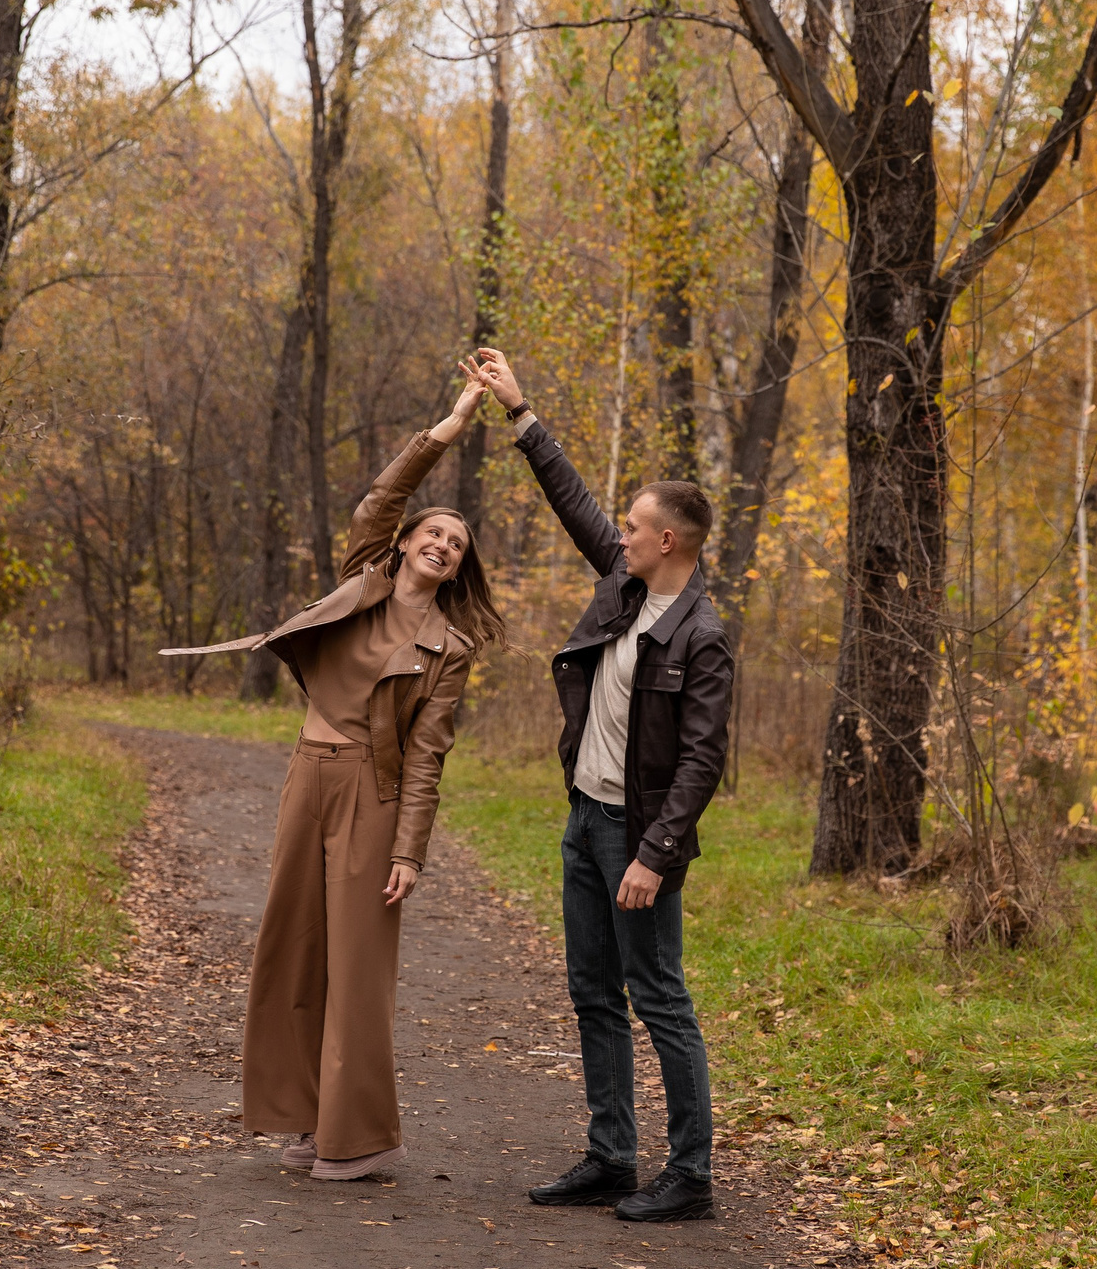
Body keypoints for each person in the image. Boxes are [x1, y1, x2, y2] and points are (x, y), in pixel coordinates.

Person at [160, 378, 502, 1182]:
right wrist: (447, 426)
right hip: (307, 777)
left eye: (458, 542)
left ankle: (359, 1137)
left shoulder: (450, 649)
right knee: (293, 947)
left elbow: (426, 756)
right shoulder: (365, 579)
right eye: (435, 532)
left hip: (372, 797)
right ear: (408, 539)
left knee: (356, 966)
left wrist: (409, 852)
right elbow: (380, 499)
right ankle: (302, 1116)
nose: (445, 544)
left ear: (459, 567)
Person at [462, 347, 731, 1224]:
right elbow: (574, 503)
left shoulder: (703, 635)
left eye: (633, 523)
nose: (619, 532)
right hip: (586, 819)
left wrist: (655, 854)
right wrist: (519, 410)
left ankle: (689, 1173)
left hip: (639, 837)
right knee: (591, 990)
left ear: (669, 541)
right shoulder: (623, 587)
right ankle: (613, 1156)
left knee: (658, 994)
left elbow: (700, 761)